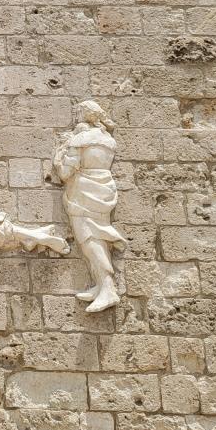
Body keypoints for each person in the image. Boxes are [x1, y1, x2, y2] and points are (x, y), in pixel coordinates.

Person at [53, 100, 127, 313]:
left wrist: (58, 156)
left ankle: (108, 288)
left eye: (78, 113)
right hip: (104, 189)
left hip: (84, 191)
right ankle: (101, 284)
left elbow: (65, 173)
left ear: (84, 115)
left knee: (88, 238)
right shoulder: (107, 139)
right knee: (98, 237)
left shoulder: (80, 140)